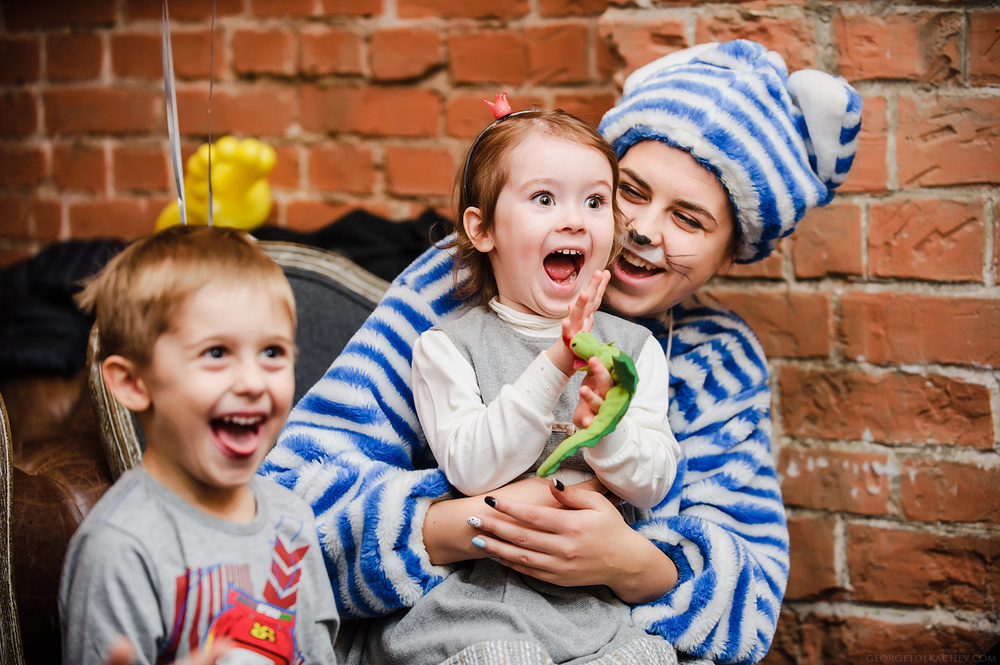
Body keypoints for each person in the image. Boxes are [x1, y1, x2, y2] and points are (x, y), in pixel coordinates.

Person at [262, 39, 862, 664]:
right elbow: (288, 516)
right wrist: (468, 523)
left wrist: (630, 563)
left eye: (689, 219)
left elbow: (750, 603)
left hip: (608, 636)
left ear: (731, 251)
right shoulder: (459, 284)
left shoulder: (717, 359)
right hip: (458, 627)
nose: (643, 230)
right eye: (629, 191)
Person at [354, 106, 681, 662]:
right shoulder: (448, 346)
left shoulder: (637, 349)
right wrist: (556, 359)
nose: (575, 220)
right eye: (544, 199)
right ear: (482, 229)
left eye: (595, 201)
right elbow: (474, 468)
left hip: (594, 612)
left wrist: (606, 431)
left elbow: (653, 484)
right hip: (477, 605)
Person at [59, 225, 339, 665]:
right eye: (216, 353)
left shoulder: (293, 521)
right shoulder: (118, 549)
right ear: (133, 383)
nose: (251, 382)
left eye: (272, 352)